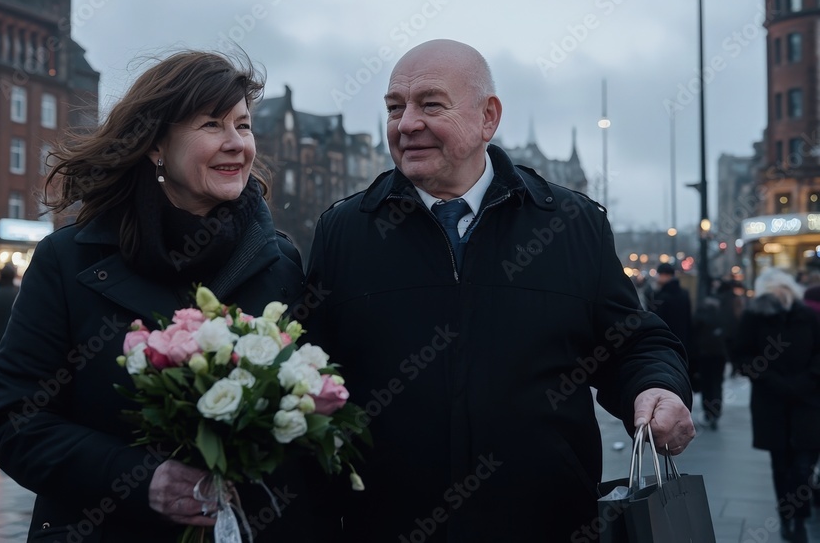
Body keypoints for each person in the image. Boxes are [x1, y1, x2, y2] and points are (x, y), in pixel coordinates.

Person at [304, 39, 695, 540]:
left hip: (544, 523)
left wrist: (656, 386)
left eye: (430, 104)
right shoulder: (345, 230)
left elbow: (635, 342)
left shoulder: (572, 224)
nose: (406, 124)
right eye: (394, 108)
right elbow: (309, 367)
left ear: (488, 117)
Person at [0, 50, 333, 542]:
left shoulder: (279, 260)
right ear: (156, 146)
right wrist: (141, 480)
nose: (237, 144)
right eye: (212, 125)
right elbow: (15, 423)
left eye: (244, 126)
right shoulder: (69, 261)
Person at [732, 268, 820, 542]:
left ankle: (800, 519)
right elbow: (741, 355)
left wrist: (807, 380)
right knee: (781, 465)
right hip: (772, 403)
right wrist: (770, 379)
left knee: (804, 465)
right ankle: (787, 517)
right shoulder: (754, 317)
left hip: (808, 401)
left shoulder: (809, 317)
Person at [691, 279, 741, 430]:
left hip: (706, 351)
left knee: (708, 383)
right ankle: (715, 410)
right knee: (716, 383)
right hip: (718, 351)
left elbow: (695, 330)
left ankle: (709, 411)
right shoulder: (727, 306)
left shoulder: (703, 307)